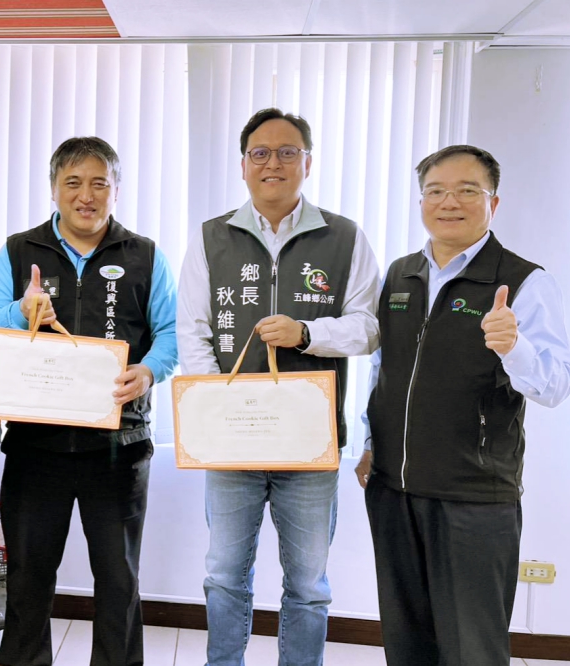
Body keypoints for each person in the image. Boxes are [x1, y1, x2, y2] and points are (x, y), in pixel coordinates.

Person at [356, 145, 570, 665]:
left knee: (471, 648)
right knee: (407, 643)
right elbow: (384, 368)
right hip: (392, 490)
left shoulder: (523, 280)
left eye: (466, 190)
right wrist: (370, 441)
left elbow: (556, 384)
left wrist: (513, 346)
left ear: (493, 203)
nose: (448, 202)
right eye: (435, 190)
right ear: (421, 201)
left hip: (473, 498)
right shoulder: (400, 274)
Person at [176, 108, 380, 666]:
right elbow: (193, 331)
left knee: (309, 584)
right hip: (232, 443)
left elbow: (368, 327)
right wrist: (221, 409)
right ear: (243, 164)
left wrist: (307, 333)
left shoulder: (344, 237)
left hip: (309, 445)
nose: (273, 163)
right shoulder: (211, 237)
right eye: (260, 153)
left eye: (288, 152)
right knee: (224, 575)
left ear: (307, 163)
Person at [0, 136, 178, 666]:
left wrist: (149, 371)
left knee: (118, 579)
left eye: (98, 184)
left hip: (119, 446)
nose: (85, 196)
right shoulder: (19, 251)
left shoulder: (145, 255)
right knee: (28, 576)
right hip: (36, 447)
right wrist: (21, 310)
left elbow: (171, 332)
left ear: (116, 190)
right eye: (73, 183)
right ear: (53, 189)